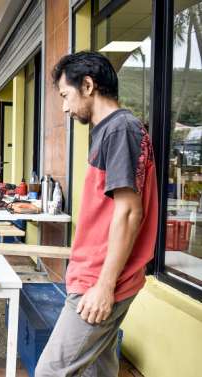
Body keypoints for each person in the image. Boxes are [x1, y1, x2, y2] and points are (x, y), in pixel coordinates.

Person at [35, 51, 158, 377]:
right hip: (98, 277)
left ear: (87, 85)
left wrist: (104, 286)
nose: (64, 106)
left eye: (65, 95)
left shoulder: (121, 130)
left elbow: (130, 212)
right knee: (99, 371)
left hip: (100, 282)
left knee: (51, 372)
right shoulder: (115, 130)